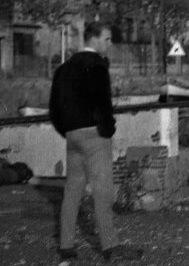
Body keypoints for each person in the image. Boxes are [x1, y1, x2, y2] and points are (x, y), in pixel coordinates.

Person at [48, 22, 142, 262]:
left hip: (72, 134)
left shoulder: (63, 68)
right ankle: (110, 246)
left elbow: (54, 109)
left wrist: (67, 130)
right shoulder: (97, 65)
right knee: (102, 191)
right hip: (94, 135)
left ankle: (66, 245)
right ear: (94, 39)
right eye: (107, 39)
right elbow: (103, 102)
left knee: (72, 189)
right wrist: (108, 129)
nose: (110, 44)